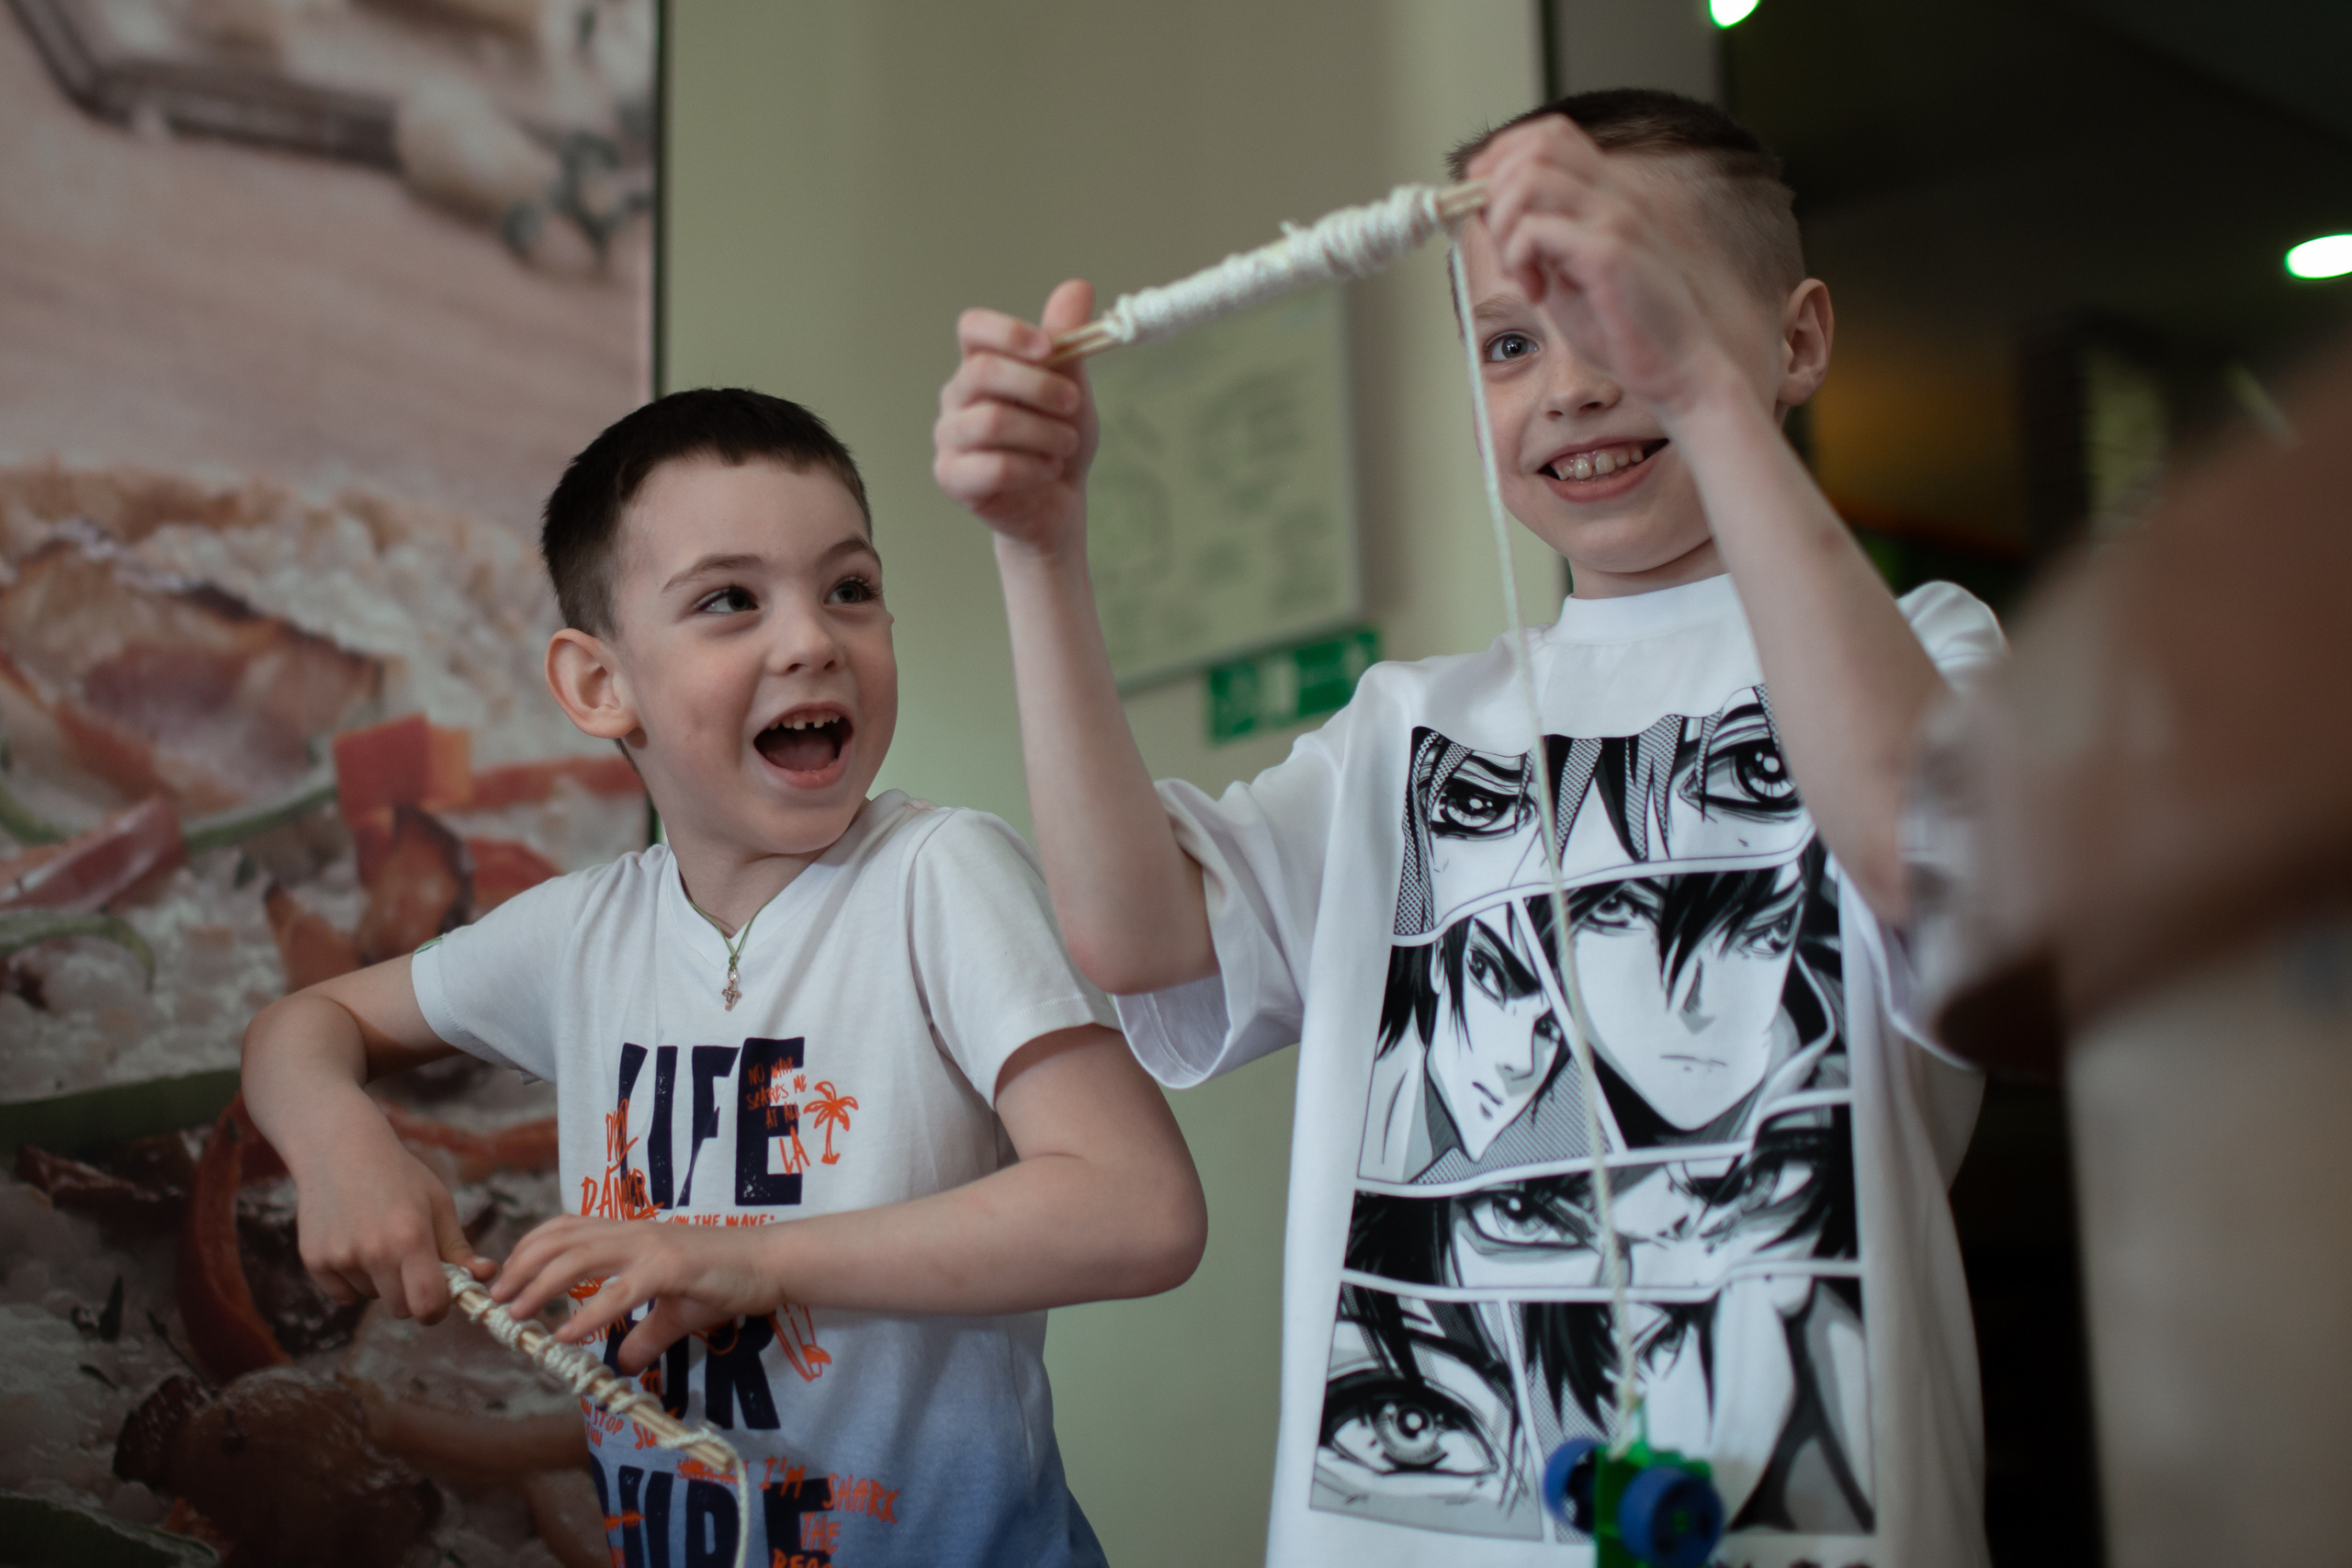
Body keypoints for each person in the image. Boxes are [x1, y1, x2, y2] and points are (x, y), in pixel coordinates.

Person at [933, 88, 2002, 1564]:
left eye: (1630, 308)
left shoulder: (1926, 649)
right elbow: (1134, 930)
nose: (1568, 381)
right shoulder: (1405, 727)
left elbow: (1916, 843)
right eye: (1509, 340)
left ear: (1798, 338)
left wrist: (1695, 383)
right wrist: (1040, 552)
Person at [241, 388, 1208, 1568]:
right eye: (730, 601)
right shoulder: (581, 934)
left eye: (849, 588)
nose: (811, 639)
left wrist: (742, 1258)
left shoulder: (940, 878)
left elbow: (1140, 1209)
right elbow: (304, 1023)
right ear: (601, 686)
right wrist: (342, 1147)